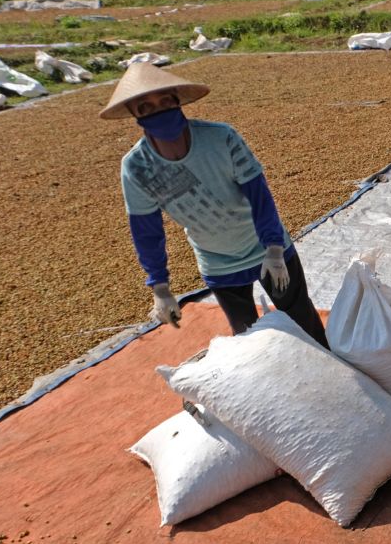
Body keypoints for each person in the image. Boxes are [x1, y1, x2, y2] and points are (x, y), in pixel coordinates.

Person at [99, 62, 328, 347]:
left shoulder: (221, 138)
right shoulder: (136, 167)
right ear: (136, 114)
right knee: (249, 338)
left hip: (267, 250)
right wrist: (160, 287)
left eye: (165, 101)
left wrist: (274, 249)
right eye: (146, 107)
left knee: (302, 320)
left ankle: (333, 378)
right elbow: (147, 231)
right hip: (218, 262)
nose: (158, 110)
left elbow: (259, 196)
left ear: (176, 101)